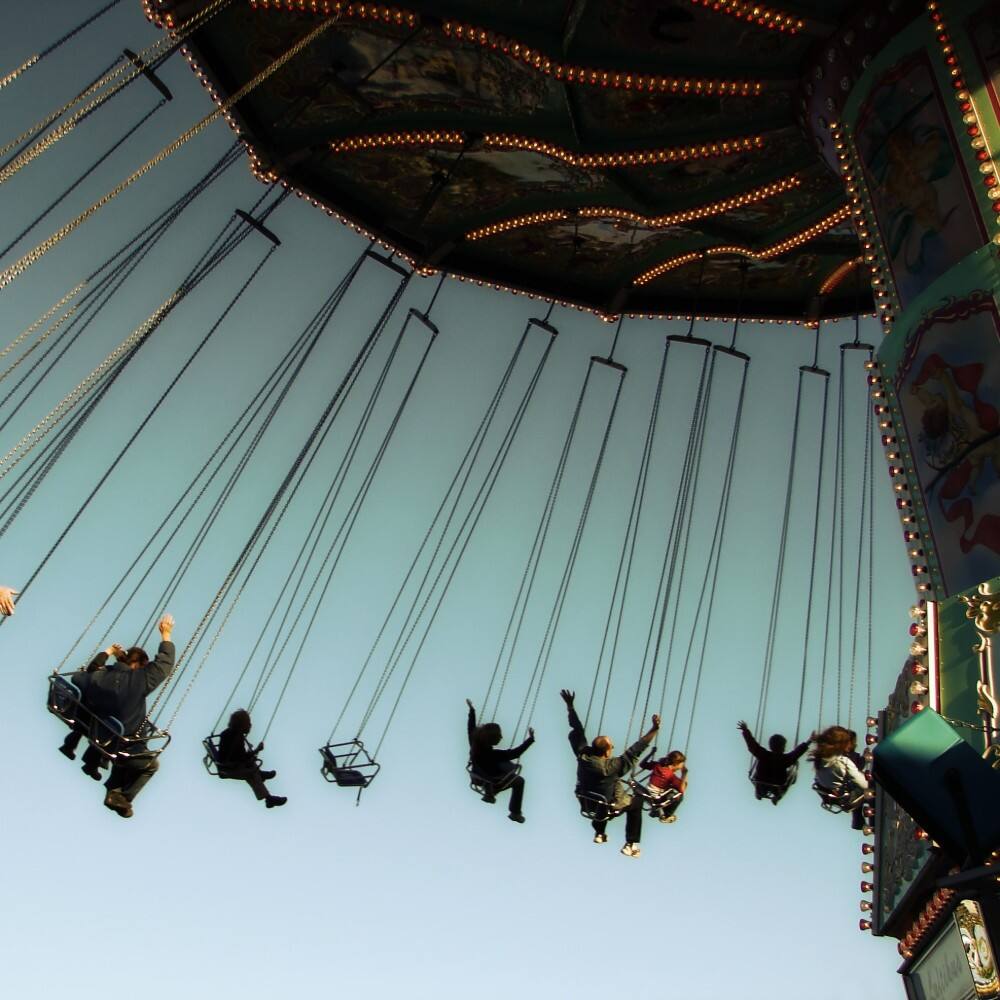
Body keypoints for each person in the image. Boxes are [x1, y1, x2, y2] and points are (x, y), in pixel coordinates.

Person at [71, 614, 176, 818]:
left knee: (128, 749)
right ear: (138, 666)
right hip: (122, 745)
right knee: (149, 764)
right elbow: (164, 665)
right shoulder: (139, 680)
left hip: (100, 737)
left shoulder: (98, 677)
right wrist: (166, 635)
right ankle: (122, 796)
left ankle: (113, 789)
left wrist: (107, 660)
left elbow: (77, 678)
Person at [561, 689, 659, 858]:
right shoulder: (613, 766)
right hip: (606, 804)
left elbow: (577, 729)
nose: (613, 748)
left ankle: (600, 832)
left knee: (603, 798)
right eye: (611, 746)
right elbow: (637, 749)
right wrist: (654, 729)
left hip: (587, 801)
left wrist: (570, 707)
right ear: (607, 751)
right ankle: (631, 844)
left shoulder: (583, 755)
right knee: (636, 802)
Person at [466, 699, 534, 823]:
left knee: (495, 769)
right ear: (492, 739)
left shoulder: (474, 744)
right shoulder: (494, 755)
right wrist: (530, 740)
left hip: (477, 777)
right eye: (499, 736)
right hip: (492, 780)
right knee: (519, 780)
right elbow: (515, 753)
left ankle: (489, 790)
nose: (502, 737)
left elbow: (471, 728)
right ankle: (515, 812)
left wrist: (472, 711)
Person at [58, 644, 124, 768]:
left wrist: (108, 652)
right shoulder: (121, 681)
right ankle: (92, 763)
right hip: (94, 720)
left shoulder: (103, 672)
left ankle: (69, 746)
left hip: (80, 713)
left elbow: (92, 668)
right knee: (108, 729)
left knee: (88, 722)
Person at [215, 709, 286, 808]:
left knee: (252, 766)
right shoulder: (236, 737)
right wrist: (257, 750)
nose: (250, 725)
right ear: (242, 725)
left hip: (229, 763)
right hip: (228, 768)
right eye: (248, 723)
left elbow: (239, 755)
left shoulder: (230, 733)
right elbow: (241, 757)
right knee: (252, 773)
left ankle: (262, 779)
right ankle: (268, 798)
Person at [810, 725, 868, 830]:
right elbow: (865, 784)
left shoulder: (819, 761)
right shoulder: (843, 761)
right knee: (875, 785)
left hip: (835, 799)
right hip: (847, 799)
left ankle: (859, 821)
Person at [738, 720, 809, 804]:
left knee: (758, 761)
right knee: (794, 766)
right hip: (777, 785)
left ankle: (759, 792)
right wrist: (809, 741)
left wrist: (745, 730)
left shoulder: (763, 754)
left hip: (761, 783)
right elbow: (797, 752)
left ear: (770, 746)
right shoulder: (785, 759)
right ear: (783, 747)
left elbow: (752, 744)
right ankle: (778, 796)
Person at [638, 749, 688, 822]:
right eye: (681, 765)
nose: (681, 767)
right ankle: (667, 815)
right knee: (679, 796)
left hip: (647, 794)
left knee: (668, 788)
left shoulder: (657, 765)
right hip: (656, 799)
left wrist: (651, 753)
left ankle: (656, 811)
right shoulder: (671, 776)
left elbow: (642, 764)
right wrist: (684, 774)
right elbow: (682, 790)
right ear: (676, 764)